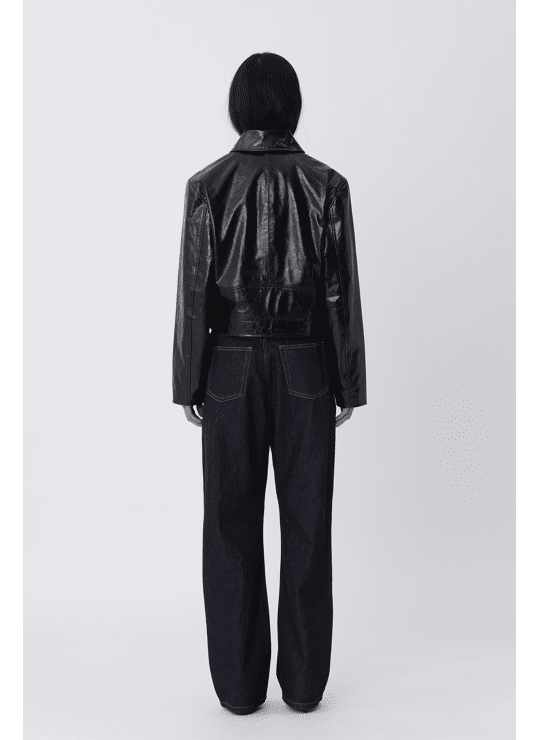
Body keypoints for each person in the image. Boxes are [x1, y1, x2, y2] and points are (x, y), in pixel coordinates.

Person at [172, 52, 366, 715]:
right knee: (308, 525)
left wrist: (189, 381)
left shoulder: (207, 185)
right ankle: (305, 688)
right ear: (294, 108)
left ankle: (237, 690)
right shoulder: (326, 184)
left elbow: (194, 294)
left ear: (238, 108)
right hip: (305, 364)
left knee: (229, 526)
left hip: (228, 366)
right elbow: (339, 291)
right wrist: (346, 381)